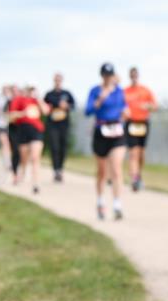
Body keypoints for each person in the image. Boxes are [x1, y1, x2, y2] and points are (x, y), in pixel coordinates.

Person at [85, 62, 128, 220]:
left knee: (116, 168)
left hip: (116, 131)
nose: (108, 77)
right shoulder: (95, 91)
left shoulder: (119, 91)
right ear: (101, 76)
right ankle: (100, 201)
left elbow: (123, 107)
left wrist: (126, 113)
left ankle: (117, 204)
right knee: (102, 171)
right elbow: (88, 111)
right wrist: (101, 98)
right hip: (101, 131)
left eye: (110, 75)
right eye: (105, 75)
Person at [9, 84, 49, 193]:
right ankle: (22, 171)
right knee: (24, 157)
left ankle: (35, 183)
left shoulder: (36, 101)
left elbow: (46, 111)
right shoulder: (18, 100)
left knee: (35, 157)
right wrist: (23, 113)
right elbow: (11, 115)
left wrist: (39, 99)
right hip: (23, 130)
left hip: (36, 131)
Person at [123, 66, 158, 191]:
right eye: (132, 75)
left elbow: (155, 106)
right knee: (133, 152)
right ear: (129, 76)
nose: (134, 77)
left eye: (135, 75)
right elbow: (119, 107)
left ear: (138, 76)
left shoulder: (145, 90)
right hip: (131, 123)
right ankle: (134, 179)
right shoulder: (125, 91)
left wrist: (148, 106)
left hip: (143, 123)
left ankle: (138, 174)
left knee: (141, 153)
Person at [44, 73, 76, 182]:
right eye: (56, 80)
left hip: (64, 124)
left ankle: (61, 168)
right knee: (54, 146)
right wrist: (56, 105)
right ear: (54, 81)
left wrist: (67, 106)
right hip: (53, 125)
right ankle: (55, 169)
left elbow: (73, 105)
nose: (58, 82)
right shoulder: (49, 95)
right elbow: (44, 106)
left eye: (59, 80)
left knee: (63, 147)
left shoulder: (67, 94)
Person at [0, 85, 13, 169]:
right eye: (4, 90)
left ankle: (10, 160)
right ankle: (7, 162)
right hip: (1, 124)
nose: (5, 91)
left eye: (7, 90)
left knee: (9, 144)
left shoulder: (12, 98)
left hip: (10, 124)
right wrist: (0, 112)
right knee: (5, 142)